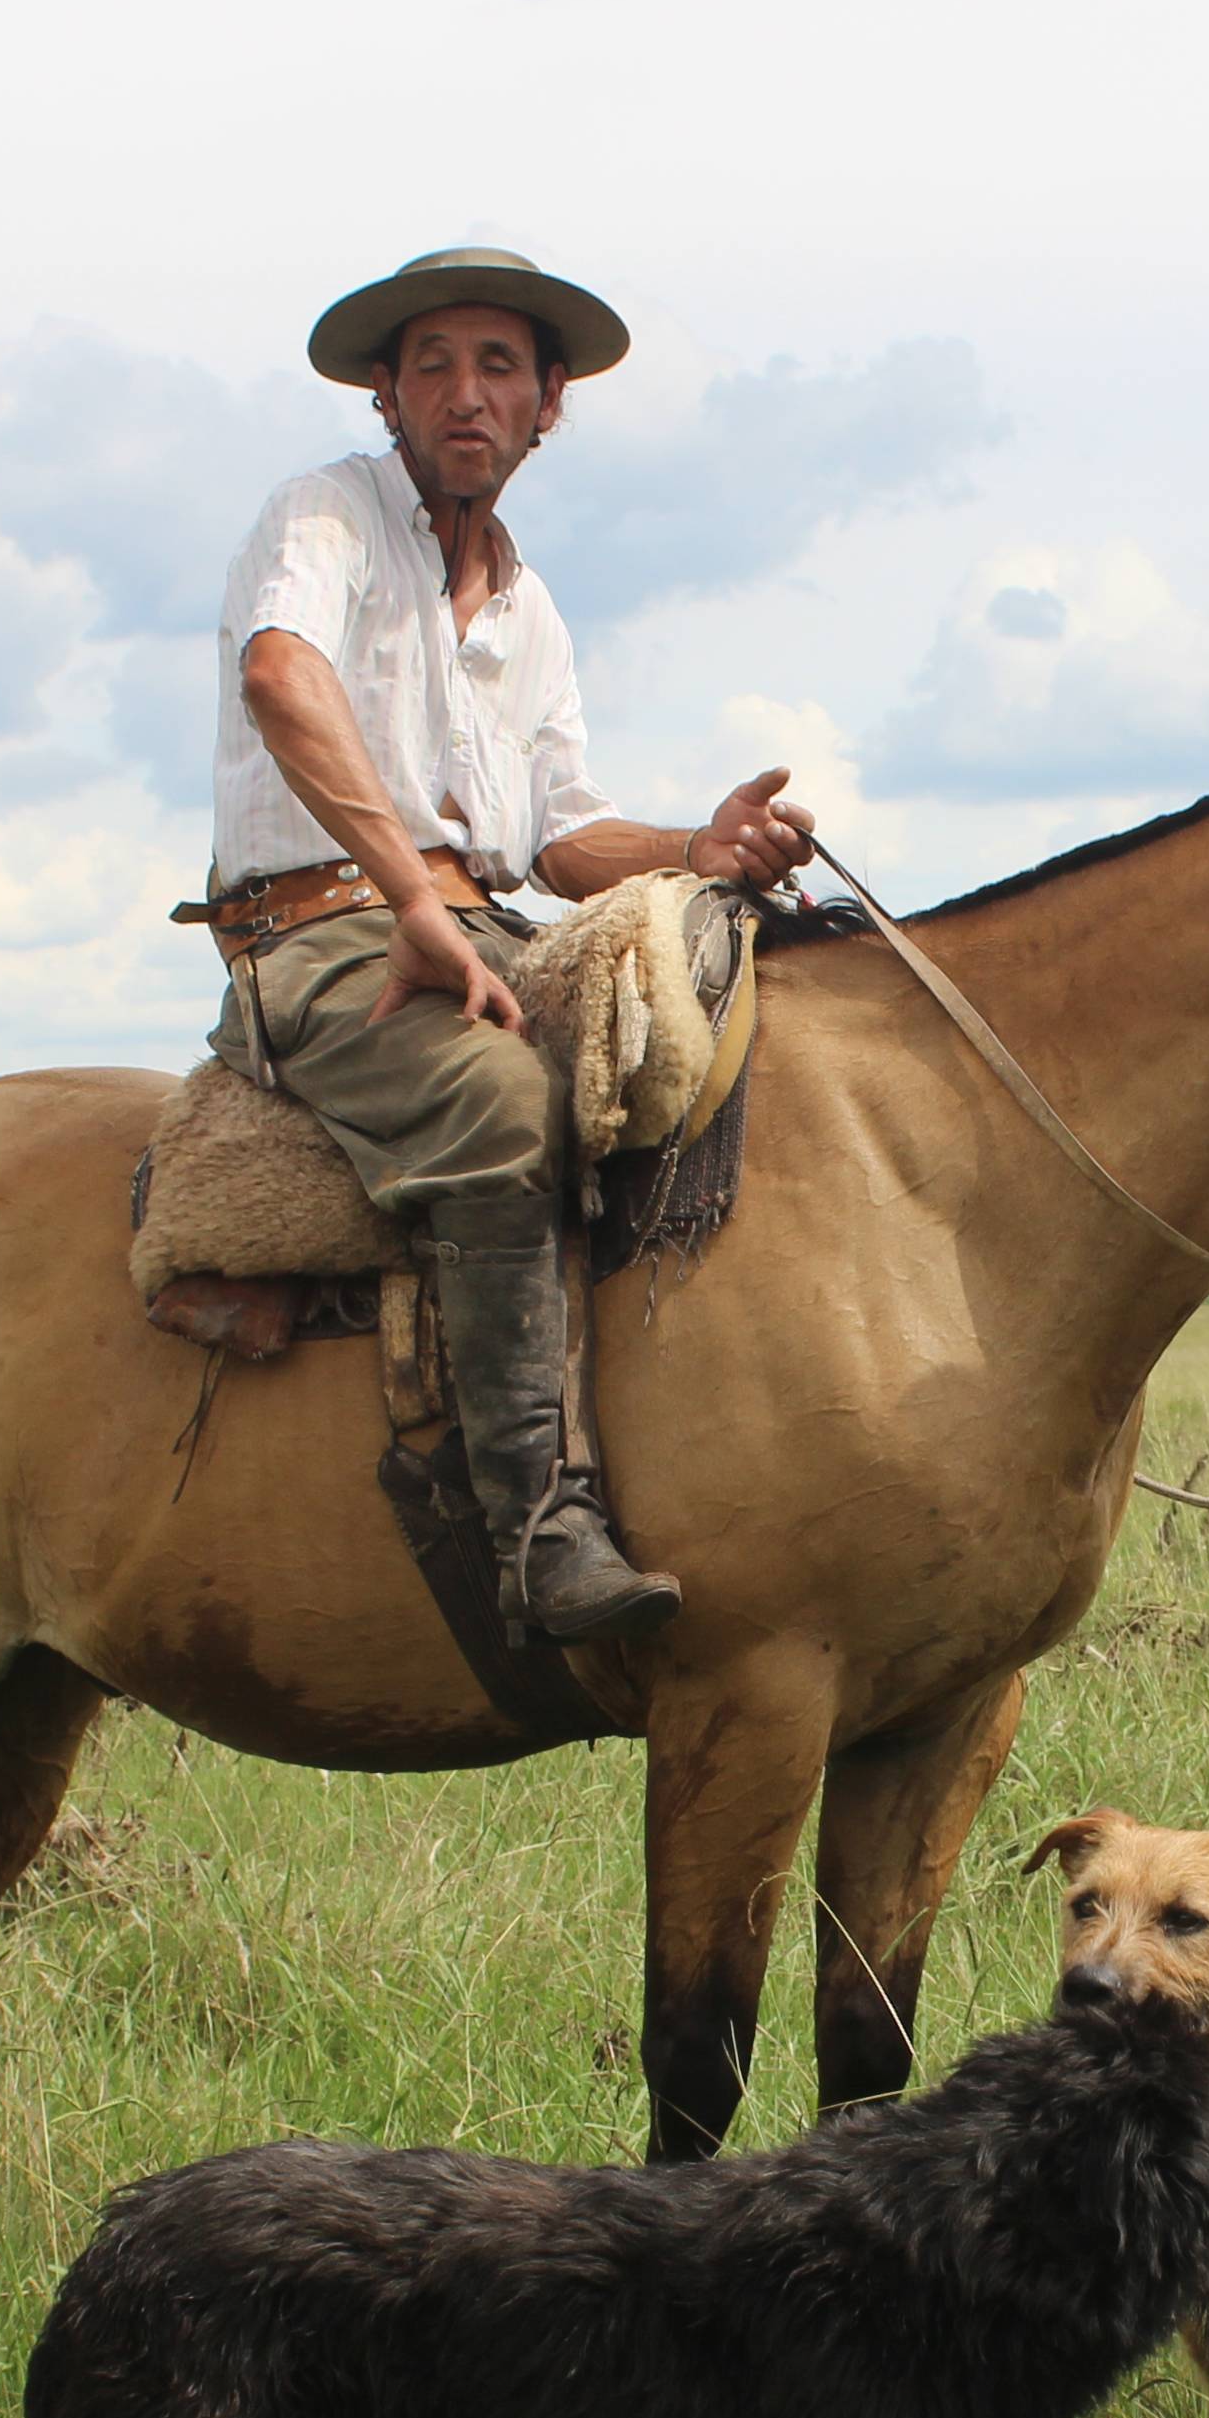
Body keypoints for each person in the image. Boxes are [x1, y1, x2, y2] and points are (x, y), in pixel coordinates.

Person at [193, 246, 818, 1645]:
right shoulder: (326, 518)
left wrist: (698, 853)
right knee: (502, 1103)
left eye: (497, 369)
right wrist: (410, 896)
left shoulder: (530, 606)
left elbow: (559, 836)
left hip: (475, 919)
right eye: (432, 366)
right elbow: (280, 676)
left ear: (547, 406)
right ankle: (537, 1529)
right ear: (385, 396)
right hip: (320, 941)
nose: (464, 395)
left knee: (692, 1053)